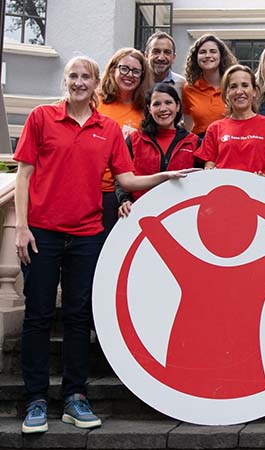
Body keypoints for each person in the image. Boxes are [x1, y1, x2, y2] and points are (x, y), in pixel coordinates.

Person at [14, 56, 195, 435]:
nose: (79, 82)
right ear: (66, 81)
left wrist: (166, 175)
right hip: (43, 232)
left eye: (86, 77)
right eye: (73, 76)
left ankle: (75, 398)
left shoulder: (109, 128)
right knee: (38, 316)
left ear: (96, 83)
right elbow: (25, 173)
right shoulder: (42, 118)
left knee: (79, 317)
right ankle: (34, 399)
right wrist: (21, 228)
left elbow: (127, 180)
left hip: (88, 233)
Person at [116, 83, 201, 217]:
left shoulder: (194, 142)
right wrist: (124, 200)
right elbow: (121, 178)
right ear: (149, 109)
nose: (163, 109)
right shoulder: (134, 140)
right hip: (140, 214)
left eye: (168, 102)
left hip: (182, 215)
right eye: (156, 104)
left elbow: (202, 180)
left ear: (178, 106)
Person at [196, 65, 265, 176]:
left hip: (259, 192)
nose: (239, 91)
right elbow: (209, 168)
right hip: (223, 190)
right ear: (226, 93)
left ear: (254, 91)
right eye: (233, 87)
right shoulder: (215, 128)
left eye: (245, 85)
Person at [98, 48, 152, 237]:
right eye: (124, 69)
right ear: (113, 69)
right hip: (90, 189)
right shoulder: (95, 102)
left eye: (136, 71)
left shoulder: (146, 111)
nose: (130, 75)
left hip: (120, 194)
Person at [183, 34, 237, 136]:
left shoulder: (233, 86)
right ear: (196, 58)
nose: (208, 55)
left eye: (213, 51)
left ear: (221, 56)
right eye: (203, 52)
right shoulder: (189, 88)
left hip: (230, 142)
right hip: (201, 144)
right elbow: (188, 126)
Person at [145, 31, 186, 100]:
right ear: (146, 56)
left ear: (173, 57)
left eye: (167, 52)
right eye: (156, 52)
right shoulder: (138, 82)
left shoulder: (182, 85)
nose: (161, 58)